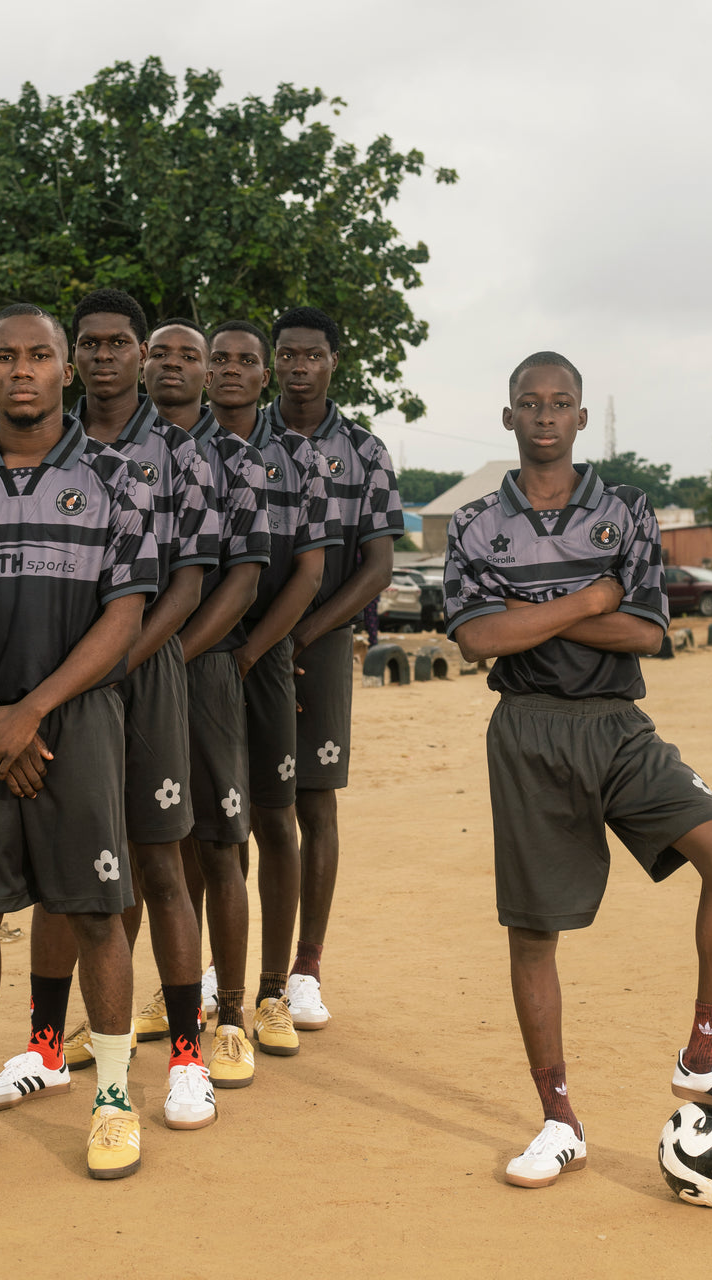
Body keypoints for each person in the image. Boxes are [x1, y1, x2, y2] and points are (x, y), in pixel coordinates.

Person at [443, 351, 712, 1190]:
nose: (544, 416)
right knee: (534, 934)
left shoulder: (628, 511)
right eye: (529, 403)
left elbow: (648, 633)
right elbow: (480, 639)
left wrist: (534, 614)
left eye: (560, 403)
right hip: (528, 732)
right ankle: (558, 1120)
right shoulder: (471, 525)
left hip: (618, 725)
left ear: (577, 418)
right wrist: (591, 600)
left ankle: (706, 1054)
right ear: (509, 418)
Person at [0, 304, 159, 1180]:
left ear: (64, 372)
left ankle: (115, 1102)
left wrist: (34, 711)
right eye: (4, 357)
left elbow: (125, 614)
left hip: (75, 725)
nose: (21, 369)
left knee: (94, 913)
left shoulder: (119, 479)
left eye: (39, 355)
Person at [0, 289, 222, 1132]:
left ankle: (189, 1058)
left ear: (142, 351)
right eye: (93, 343)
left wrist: (124, 659)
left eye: (124, 342)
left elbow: (189, 582)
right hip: (56, 676)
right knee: (61, 869)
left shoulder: (182, 454)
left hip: (143, 670)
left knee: (160, 863)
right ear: (73, 357)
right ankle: (45, 1049)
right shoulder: (49, 445)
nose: (109, 355)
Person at [265, 306, 404, 1028]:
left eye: (311, 355)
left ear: (333, 362)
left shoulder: (365, 451)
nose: (297, 366)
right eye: (286, 354)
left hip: (316, 646)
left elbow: (378, 566)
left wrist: (307, 631)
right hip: (242, 637)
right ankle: (222, 966)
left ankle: (305, 968)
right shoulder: (240, 441)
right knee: (230, 806)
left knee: (313, 803)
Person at [206, 319, 343, 1057]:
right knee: (201, 828)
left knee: (274, 820)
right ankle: (202, 980)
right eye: (218, 358)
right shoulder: (178, 451)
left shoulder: (299, 459)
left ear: (264, 378)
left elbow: (311, 574)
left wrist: (254, 654)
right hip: (200, 658)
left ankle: (273, 988)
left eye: (246, 361)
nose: (231, 370)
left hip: (262, 657)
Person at [150, 317, 271, 1088]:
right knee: (140, 847)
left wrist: (167, 657)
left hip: (202, 671)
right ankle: (160, 1002)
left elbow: (244, 579)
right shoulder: (106, 453)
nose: (172, 364)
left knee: (221, 844)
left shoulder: (239, 461)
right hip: (117, 670)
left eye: (187, 355)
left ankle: (231, 1017)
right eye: (158, 352)